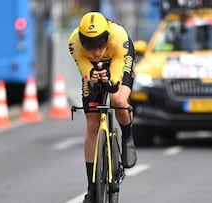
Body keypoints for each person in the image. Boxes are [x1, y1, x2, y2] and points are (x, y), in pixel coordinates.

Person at [68, 11, 137, 203]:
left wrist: (111, 82)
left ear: (107, 38)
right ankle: (91, 189)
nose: (96, 51)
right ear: (82, 42)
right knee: (92, 124)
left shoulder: (118, 37)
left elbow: (116, 80)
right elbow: (86, 74)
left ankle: (128, 136)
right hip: (93, 68)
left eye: (100, 44)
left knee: (118, 100)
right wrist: (92, 76)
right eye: (90, 46)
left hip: (118, 58)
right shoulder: (74, 43)